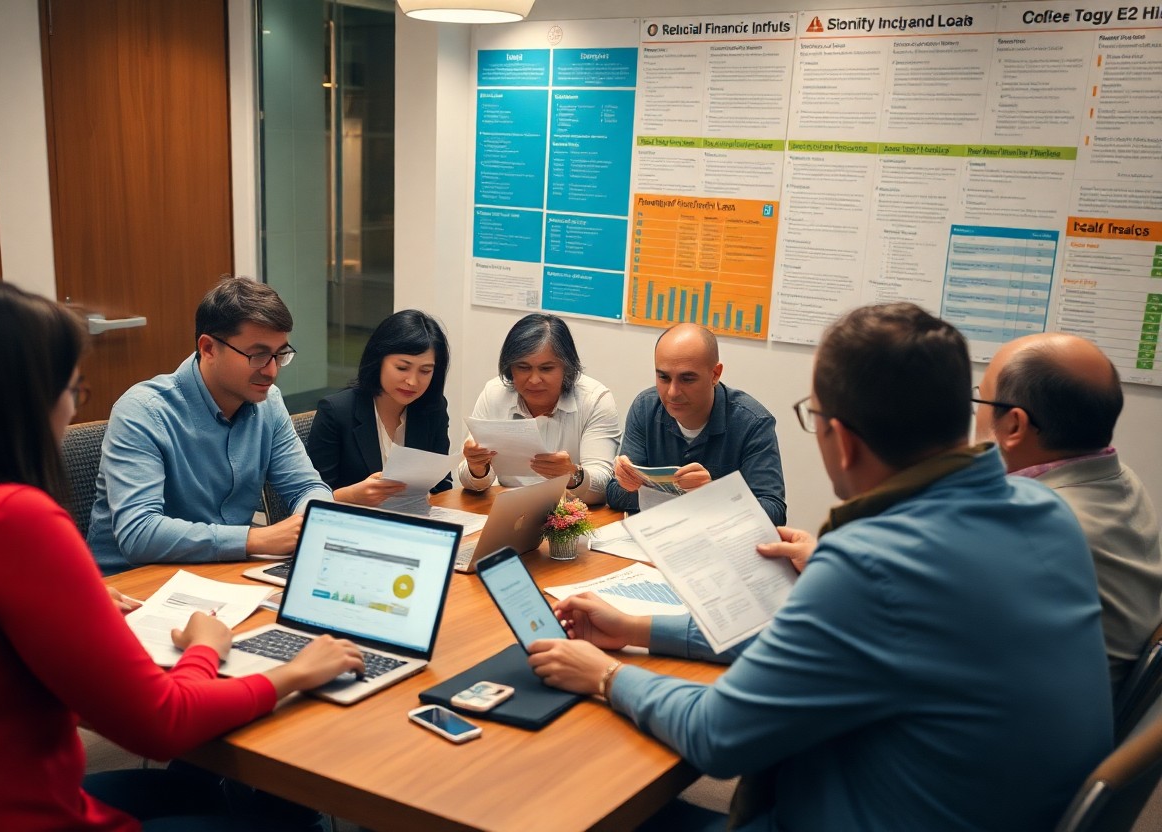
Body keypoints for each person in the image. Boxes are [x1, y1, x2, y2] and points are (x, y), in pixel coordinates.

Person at [530, 303, 1111, 831]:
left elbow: (717, 735)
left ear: (841, 438)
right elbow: (802, 644)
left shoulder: (871, 565)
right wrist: (638, 629)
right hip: (987, 805)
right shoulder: (1048, 511)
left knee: (582, 812)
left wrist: (604, 674)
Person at [0, 273, 363, 831]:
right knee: (288, 820)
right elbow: (158, 725)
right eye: (71, 390)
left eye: (279, 354)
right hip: (36, 808)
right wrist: (254, 663)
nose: (72, 410)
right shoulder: (16, 518)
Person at [88, 277, 332, 574]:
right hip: (134, 587)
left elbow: (307, 486)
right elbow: (139, 533)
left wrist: (310, 520)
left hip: (222, 575)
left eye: (280, 354)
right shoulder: (143, 411)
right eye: (258, 355)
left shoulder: (269, 404)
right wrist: (255, 539)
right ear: (208, 348)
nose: (271, 371)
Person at [976, 332, 1162, 694]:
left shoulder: (1032, 528)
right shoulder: (1118, 478)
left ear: (1013, 426)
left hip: (1034, 730)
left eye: (980, 399)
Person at [606, 323, 786, 523]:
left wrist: (713, 494)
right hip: (659, 539)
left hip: (721, 546)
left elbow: (774, 512)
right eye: (663, 377)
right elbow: (614, 495)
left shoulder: (752, 422)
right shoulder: (645, 408)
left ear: (715, 374)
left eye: (687, 379)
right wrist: (627, 484)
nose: (673, 392)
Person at [458, 313, 620, 506]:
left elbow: (603, 487)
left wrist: (572, 474)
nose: (534, 380)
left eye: (546, 369)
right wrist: (477, 467)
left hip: (572, 516)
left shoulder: (595, 399)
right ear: (510, 368)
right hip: (510, 509)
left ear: (566, 368)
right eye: (523, 367)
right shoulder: (495, 393)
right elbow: (472, 483)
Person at [306, 310, 452, 507]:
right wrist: (351, 495)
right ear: (378, 360)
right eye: (402, 368)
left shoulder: (433, 408)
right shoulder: (337, 412)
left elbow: (442, 485)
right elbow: (308, 496)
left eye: (425, 371)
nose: (412, 381)